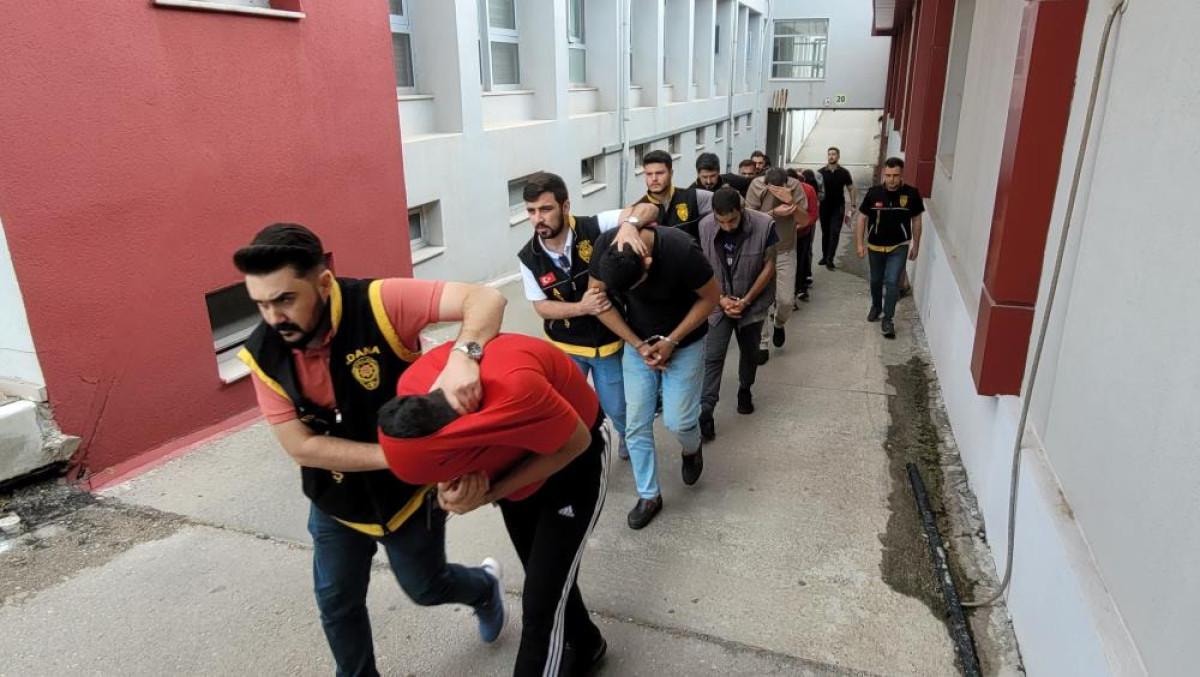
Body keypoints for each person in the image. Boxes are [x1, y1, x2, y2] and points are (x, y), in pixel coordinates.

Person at [232, 224, 507, 677]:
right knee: (336, 602)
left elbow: (486, 299)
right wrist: (398, 456)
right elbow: (302, 446)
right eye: (260, 304)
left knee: (426, 587)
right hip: (335, 501)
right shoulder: (262, 355)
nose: (274, 318)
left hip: (406, 498)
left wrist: (465, 355)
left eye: (285, 300)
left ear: (324, 283)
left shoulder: (379, 303)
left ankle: (483, 588)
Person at [378, 333, 609, 677]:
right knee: (544, 577)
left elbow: (576, 443)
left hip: (575, 464)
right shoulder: (414, 391)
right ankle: (587, 644)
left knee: (541, 608)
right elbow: (436, 464)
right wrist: (449, 492)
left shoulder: (515, 392)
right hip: (515, 471)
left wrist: (489, 493)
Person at [516, 172, 657, 462]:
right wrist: (582, 307)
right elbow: (541, 306)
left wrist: (629, 226)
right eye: (531, 211)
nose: (538, 218)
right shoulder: (528, 257)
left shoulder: (595, 226)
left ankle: (626, 438)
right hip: (566, 348)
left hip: (606, 344)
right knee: (568, 409)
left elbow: (649, 208)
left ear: (565, 206)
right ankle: (577, 455)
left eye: (545, 209)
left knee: (617, 407)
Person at [588, 223, 720, 529]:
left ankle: (692, 448)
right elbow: (598, 301)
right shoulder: (606, 245)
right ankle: (649, 495)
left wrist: (671, 341)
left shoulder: (681, 250)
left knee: (679, 421)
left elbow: (711, 298)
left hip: (685, 343)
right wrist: (637, 344)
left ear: (647, 260)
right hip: (638, 345)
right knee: (635, 424)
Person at [697, 187, 778, 441]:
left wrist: (746, 300)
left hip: (752, 304)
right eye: (721, 221)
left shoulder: (765, 225)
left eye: (732, 220)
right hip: (718, 305)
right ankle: (706, 411)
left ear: (741, 210)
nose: (727, 226)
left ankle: (745, 389)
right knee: (712, 357)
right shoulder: (705, 226)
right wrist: (721, 299)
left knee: (750, 353)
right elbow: (703, 267)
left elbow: (769, 266)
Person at [854, 156, 924, 339]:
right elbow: (861, 218)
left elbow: (917, 220)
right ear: (884, 174)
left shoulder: (911, 194)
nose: (891, 180)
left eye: (895, 176)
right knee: (876, 280)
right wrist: (860, 243)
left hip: (898, 247)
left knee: (892, 282)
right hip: (875, 246)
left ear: (902, 175)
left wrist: (916, 245)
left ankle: (888, 319)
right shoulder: (874, 193)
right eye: (888, 175)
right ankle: (876, 306)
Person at [746, 167, 807, 354]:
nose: (776, 191)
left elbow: (805, 220)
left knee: (786, 300)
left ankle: (779, 323)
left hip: (785, 250)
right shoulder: (756, 185)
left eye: (779, 187)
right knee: (761, 299)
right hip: (760, 252)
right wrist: (774, 212)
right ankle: (762, 343)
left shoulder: (794, 186)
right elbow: (748, 220)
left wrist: (791, 202)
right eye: (772, 188)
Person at [635, 149, 712, 240]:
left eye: (659, 173)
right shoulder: (637, 209)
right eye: (649, 174)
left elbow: (723, 203)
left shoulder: (694, 197)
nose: (654, 178)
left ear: (671, 173)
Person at [817, 147, 858, 270]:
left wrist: (853, 204)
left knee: (834, 232)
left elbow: (851, 188)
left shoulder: (844, 172)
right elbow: (815, 189)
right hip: (824, 206)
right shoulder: (820, 173)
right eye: (829, 154)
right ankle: (824, 256)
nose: (831, 156)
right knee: (826, 232)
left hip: (838, 207)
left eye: (834, 154)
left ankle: (830, 259)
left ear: (838, 156)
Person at [794, 169, 821, 304]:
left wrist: (800, 226)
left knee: (801, 260)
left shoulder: (808, 190)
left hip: (802, 234)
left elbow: (813, 215)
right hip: (783, 236)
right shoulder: (777, 190)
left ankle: (800, 287)